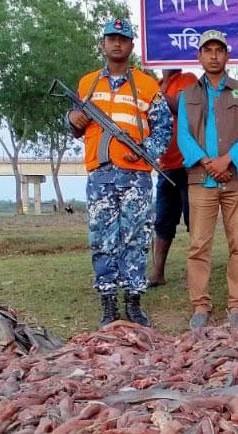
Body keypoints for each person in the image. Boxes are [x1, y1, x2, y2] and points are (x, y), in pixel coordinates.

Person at [67, 17, 172, 328]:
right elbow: (73, 122)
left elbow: (164, 129)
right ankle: (109, 304)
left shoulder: (148, 84)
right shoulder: (88, 84)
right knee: (102, 239)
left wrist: (145, 150)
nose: (116, 43)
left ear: (131, 46)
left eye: (122, 39)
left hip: (136, 175)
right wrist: (74, 118)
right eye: (111, 38)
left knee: (135, 239)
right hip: (99, 174)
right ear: (102, 44)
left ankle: (134, 303)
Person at [178, 30, 238, 330]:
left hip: (236, 178)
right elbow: (183, 136)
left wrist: (227, 160)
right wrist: (206, 162)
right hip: (202, 180)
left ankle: (237, 306)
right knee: (199, 245)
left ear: (228, 55)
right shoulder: (187, 95)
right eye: (207, 50)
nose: (214, 56)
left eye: (219, 50)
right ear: (199, 56)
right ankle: (200, 305)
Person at [150, 67, 198, 287]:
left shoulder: (188, 79)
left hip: (189, 164)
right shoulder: (157, 84)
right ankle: (157, 272)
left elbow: (183, 106)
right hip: (165, 166)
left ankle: (193, 274)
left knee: (194, 222)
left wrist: (152, 95)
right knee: (162, 221)